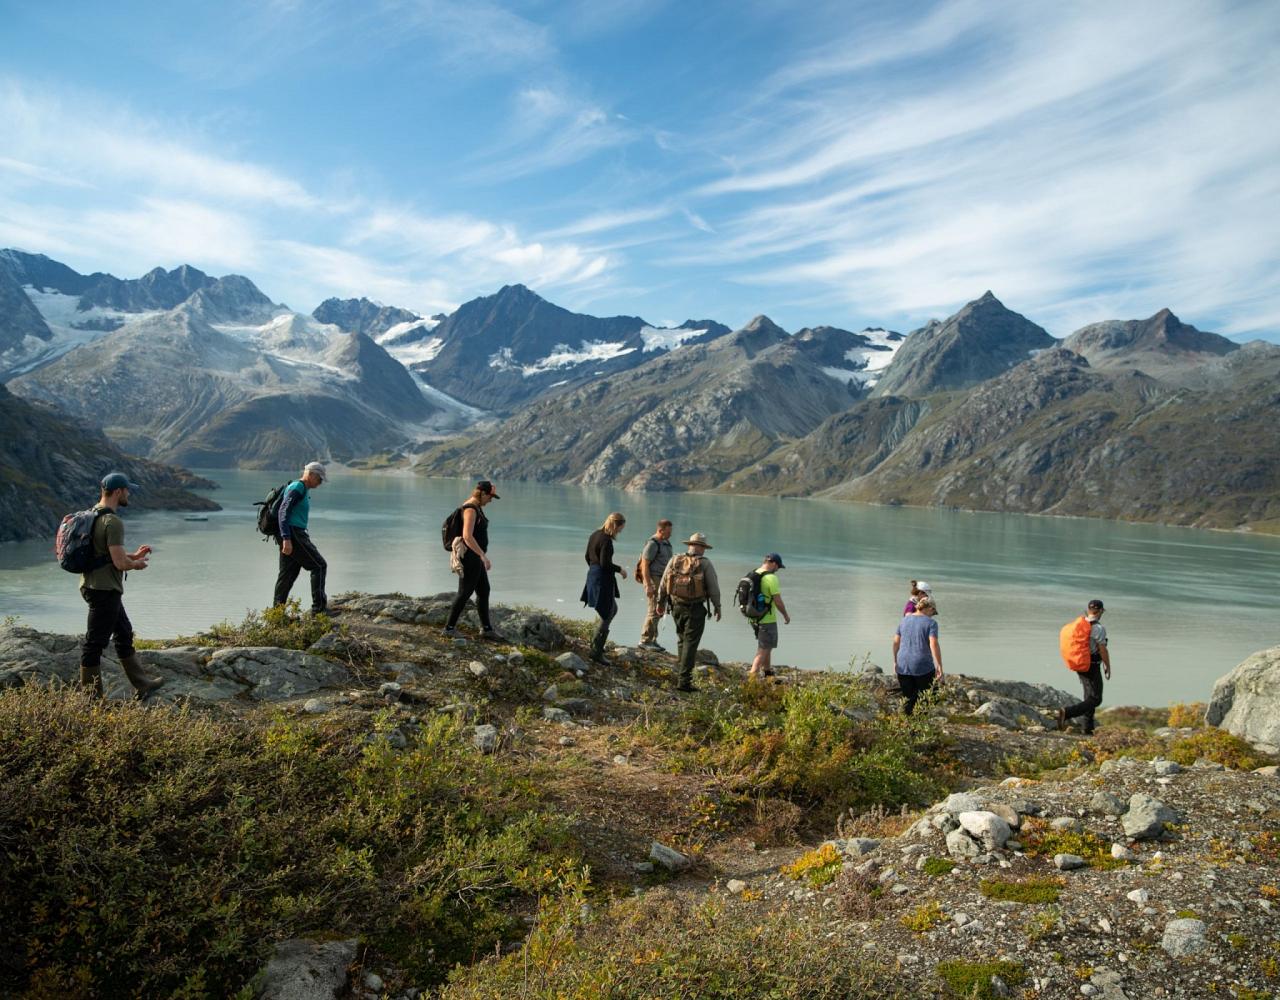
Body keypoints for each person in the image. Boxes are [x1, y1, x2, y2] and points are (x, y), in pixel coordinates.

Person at [78, 472, 165, 701]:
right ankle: (91, 700)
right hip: (104, 590)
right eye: (127, 490)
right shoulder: (113, 521)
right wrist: (136, 564)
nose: (129, 494)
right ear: (118, 492)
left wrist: (133, 555)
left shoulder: (93, 514)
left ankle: (142, 683)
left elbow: (104, 553)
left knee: (124, 633)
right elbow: (119, 562)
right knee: (94, 644)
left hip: (94, 585)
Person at [656, 532, 722, 692]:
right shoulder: (705, 563)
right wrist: (717, 606)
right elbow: (713, 588)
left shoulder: (675, 559)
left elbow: (664, 582)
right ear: (701, 548)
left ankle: (681, 674)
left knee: (681, 640)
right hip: (695, 608)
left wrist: (660, 602)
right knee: (691, 644)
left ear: (690, 545)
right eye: (704, 547)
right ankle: (684, 682)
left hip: (676, 606)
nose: (704, 551)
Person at [443, 480, 506, 640]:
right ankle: (449, 629)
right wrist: (482, 556)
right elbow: (467, 536)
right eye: (490, 496)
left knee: (484, 591)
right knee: (464, 592)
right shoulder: (470, 509)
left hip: (475, 557)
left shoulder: (476, 508)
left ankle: (486, 629)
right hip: (470, 557)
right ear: (482, 493)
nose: (491, 500)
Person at [274, 461, 330, 615]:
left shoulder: (300, 488)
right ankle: (319, 609)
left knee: (287, 574)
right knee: (319, 566)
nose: (320, 483)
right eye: (319, 479)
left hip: (291, 533)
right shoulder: (298, 488)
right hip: (293, 533)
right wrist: (286, 538)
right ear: (311, 474)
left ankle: (277, 615)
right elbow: (283, 512)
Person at [1057, 599, 1111, 734]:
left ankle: (1087, 728)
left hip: (1080, 663)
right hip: (1091, 665)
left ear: (1088, 609)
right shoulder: (1098, 628)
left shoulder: (1081, 624)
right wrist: (1107, 666)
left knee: (1089, 696)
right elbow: (1102, 649)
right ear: (1100, 611)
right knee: (1096, 699)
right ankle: (1067, 712)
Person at [581, 512, 627, 664]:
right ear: (616, 525)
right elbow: (605, 564)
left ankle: (596, 644)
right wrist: (620, 569)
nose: (621, 531)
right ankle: (596, 651)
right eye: (621, 528)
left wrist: (594, 571)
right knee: (608, 611)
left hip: (594, 575)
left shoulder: (595, 534)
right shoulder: (606, 540)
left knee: (611, 609)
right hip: (602, 578)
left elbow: (587, 556)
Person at [893, 594, 944, 715]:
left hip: (902, 665)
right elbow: (934, 644)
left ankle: (907, 727)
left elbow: (895, 642)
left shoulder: (904, 620)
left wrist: (895, 661)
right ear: (930, 608)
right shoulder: (931, 623)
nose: (933, 615)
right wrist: (939, 665)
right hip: (922, 665)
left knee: (908, 698)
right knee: (931, 695)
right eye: (933, 612)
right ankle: (918, 726)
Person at [747, 553, 790, 680]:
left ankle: (767, 673)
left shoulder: (754, 573)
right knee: (763, 650)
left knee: (767, 646)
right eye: (778, 567)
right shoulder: (771, 578)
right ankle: (751, 679)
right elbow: (777, 601)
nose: (777, 570)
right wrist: (786, 615)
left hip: (754, 617)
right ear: (774, 563)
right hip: (767, 619)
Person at [638, 518, 674, 650]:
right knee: (653, 609)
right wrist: (648, 584)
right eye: (668, 532)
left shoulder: (666, 543)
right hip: (654, 578)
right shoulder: (653, 544)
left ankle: (653, 639)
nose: (670, 534)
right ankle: (645, 640)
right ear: (660, 530)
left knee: (660, 610)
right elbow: (644, 564)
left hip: (663, 580)